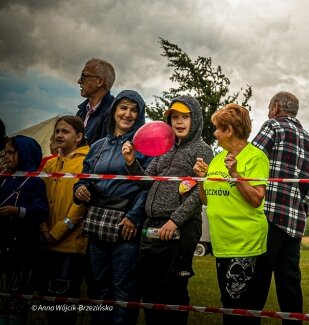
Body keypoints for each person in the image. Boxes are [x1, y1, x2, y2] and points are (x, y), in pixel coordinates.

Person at [124, 96, 214, 325]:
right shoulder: (164, 148)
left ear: (196, 120)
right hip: (152, 225)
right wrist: (131, 162)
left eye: (185, 117)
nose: (180, 122)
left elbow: (199, 196)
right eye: (175, 117)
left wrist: (174, 221)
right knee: (150, 291)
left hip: (180, 228)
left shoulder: (203, 150)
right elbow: (146, 182)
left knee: (173, 291)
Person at [73, 90, 151, 325]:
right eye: (123, 107)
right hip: (97, 223)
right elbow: (84, 178)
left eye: (134, 109)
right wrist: (80, 189)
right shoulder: (97, 146)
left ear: (140, 115)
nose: (127, 114)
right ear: (114, 110)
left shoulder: (145, 147)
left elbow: (147, 186)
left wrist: (134, 217)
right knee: (99, 287)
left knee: (124, 288)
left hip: (125, 224)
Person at [193, 103, 269, 325]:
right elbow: (207, 200)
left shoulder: (255, 157)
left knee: (241, 309)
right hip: (222, 243)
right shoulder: (218, 158)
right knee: (228, 303)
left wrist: (235, 174)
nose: (215, 133)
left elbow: (256, 199)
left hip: (244, 243)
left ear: (230, 130)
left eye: (218, 128)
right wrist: (201, 179)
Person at [251, 92, 309, 325]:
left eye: (269, 106)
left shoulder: (273, 127)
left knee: (256, 282)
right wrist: (300, 211)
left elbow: (251, 160)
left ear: (275, 106)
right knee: (290, 284)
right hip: (295, 223)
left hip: (267, 216)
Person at [39, 116, 90, 325]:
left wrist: (58, 231)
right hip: (45, 242)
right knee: (47, 299)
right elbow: (38, 198)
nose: (59, 135)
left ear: (78, 137)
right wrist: (43, 229)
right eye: (57, 131)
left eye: (65, 131)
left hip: (70, 245)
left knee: (64, 303)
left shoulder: (86, 162)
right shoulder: (50, 165)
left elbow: (81, 205)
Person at [0, 135, 47, 325]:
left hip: (23, 250)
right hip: (3, 248)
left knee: (18, 301)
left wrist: (18, 211)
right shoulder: (3, 179)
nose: (6, 157)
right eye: (5, 153)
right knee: (2, 299)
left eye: (12, 153)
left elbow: (41, 212)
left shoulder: (35, 182)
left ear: (25, 153)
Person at [76, 58, 116, 145]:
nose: (79, 81)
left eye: (84, 76)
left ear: (100, 81)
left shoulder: (114, 112)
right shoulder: (81, 112)